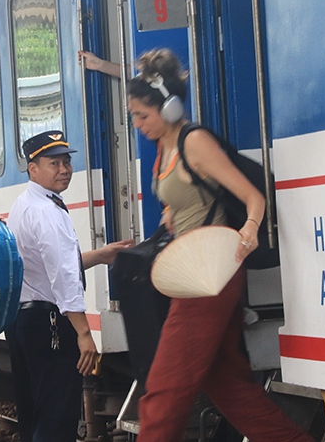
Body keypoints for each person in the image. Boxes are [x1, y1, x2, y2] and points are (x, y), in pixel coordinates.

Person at [127, 49, 314, 441]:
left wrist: (248, 231)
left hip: (209, 276)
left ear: (170, 107)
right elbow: (191, 193)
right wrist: (173, 213)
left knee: (164, 389)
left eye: (142, 115)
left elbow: (253, 198)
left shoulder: (195, 141)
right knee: (227, 385)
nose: (137, 124)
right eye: (133, 116)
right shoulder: (165, 143)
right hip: (193, 272)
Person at [5, 130, 133, 442]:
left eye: (66, 161)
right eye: (54, 163)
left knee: (34, 415)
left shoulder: (26, 203)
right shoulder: (48, 211)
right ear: (33, 168)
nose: (64, 169)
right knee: (57, 419)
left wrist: (100, 255)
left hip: (24, 321)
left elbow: (44, 264)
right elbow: (62, 275)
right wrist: (84, 333)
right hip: (49, 324)